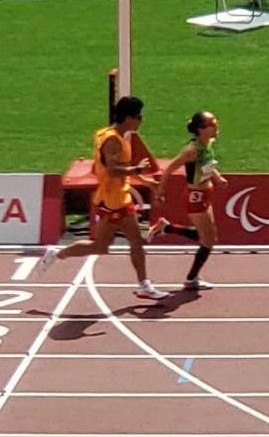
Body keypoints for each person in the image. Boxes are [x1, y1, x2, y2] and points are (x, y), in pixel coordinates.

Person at [35, 96, 169, 299]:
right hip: (112, 200)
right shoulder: (112, 140)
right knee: (130, 242)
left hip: (118, 197)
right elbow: (113, 171)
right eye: (139, 117)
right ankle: (144, 281)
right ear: (128, 118)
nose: (141, 121)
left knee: (103, 246)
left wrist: (145, 181)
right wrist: (137, 169)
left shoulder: (113, 136)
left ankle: (56, 254)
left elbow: (118, 169)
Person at [148, 111, 227, 290]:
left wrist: (218, 178)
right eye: (212, 124)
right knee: (208, 240)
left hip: (206, 194)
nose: (216, 126)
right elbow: (169, 169)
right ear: (201, 129)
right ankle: (191, 279)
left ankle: (166, 227)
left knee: (207, 236)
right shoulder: (191, 151)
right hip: (195, 197)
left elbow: (208, 163)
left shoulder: (208, 143)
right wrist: (160, 192)